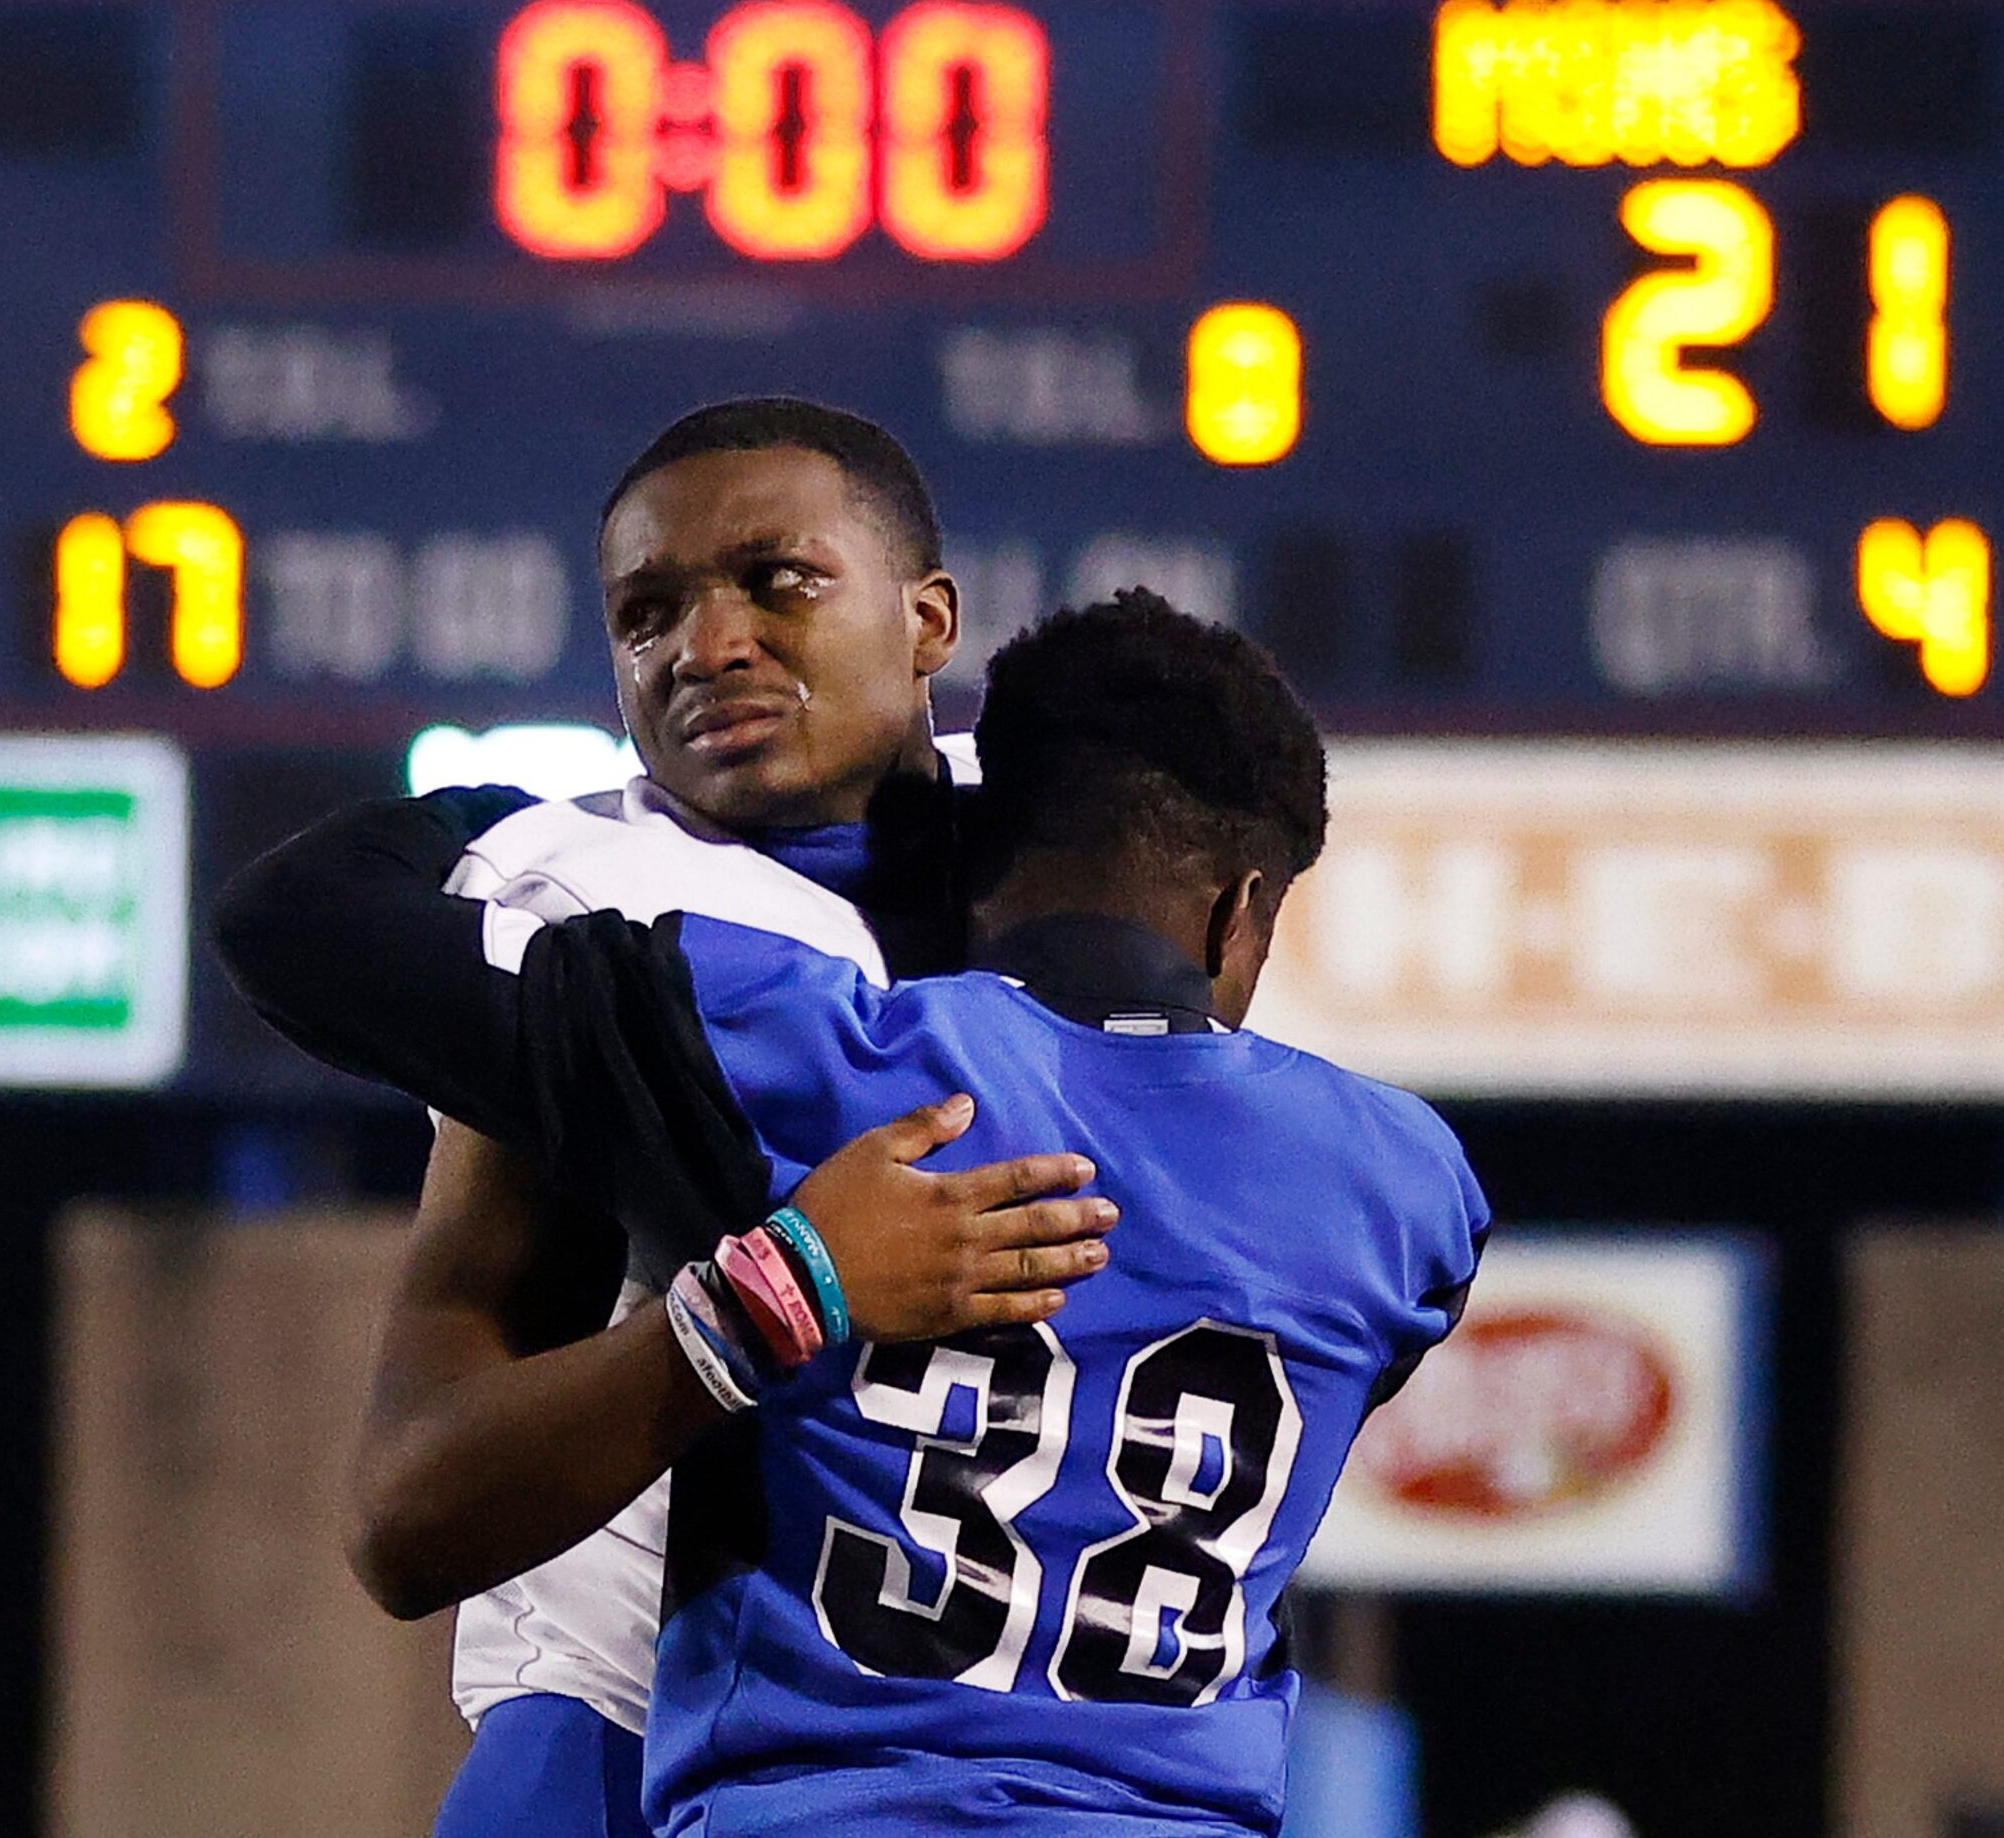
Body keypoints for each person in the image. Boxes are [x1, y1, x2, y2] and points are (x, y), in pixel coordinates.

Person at [221, 587, 1492, 1836]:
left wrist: (570, 835)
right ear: (1238, 912)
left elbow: (294, 919)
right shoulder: (1405, 1185)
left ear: (977, 850)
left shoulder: (814, 1057)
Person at [336, 399, 1115, 1837]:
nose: (704, 644)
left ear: (927, 616)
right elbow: (406, 1511)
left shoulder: (1075, 892)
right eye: (645, 613)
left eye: (778, 581)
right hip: (635, 1746)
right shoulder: (599, 917)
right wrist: (776, 1297)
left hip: (1016, 1766)